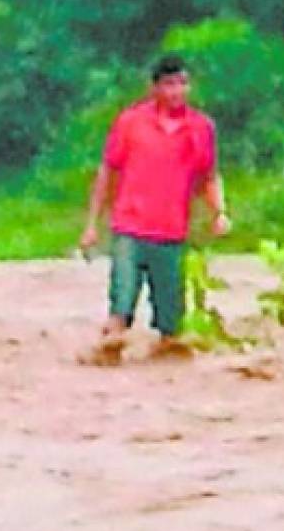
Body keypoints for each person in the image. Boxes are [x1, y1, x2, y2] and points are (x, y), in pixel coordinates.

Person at [78, 56, 230, 365]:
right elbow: (107, 172)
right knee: (122, 296)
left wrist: (219, 212)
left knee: (171, 320)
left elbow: (208, 176)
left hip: (171, 230)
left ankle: (165, 347)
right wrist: (92, 224)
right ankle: (110, 342)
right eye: (170, 85)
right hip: (130, 226)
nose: (177, 92)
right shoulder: (130, 123)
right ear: (155, 88)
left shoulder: (200, 128)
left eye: (182, 84)